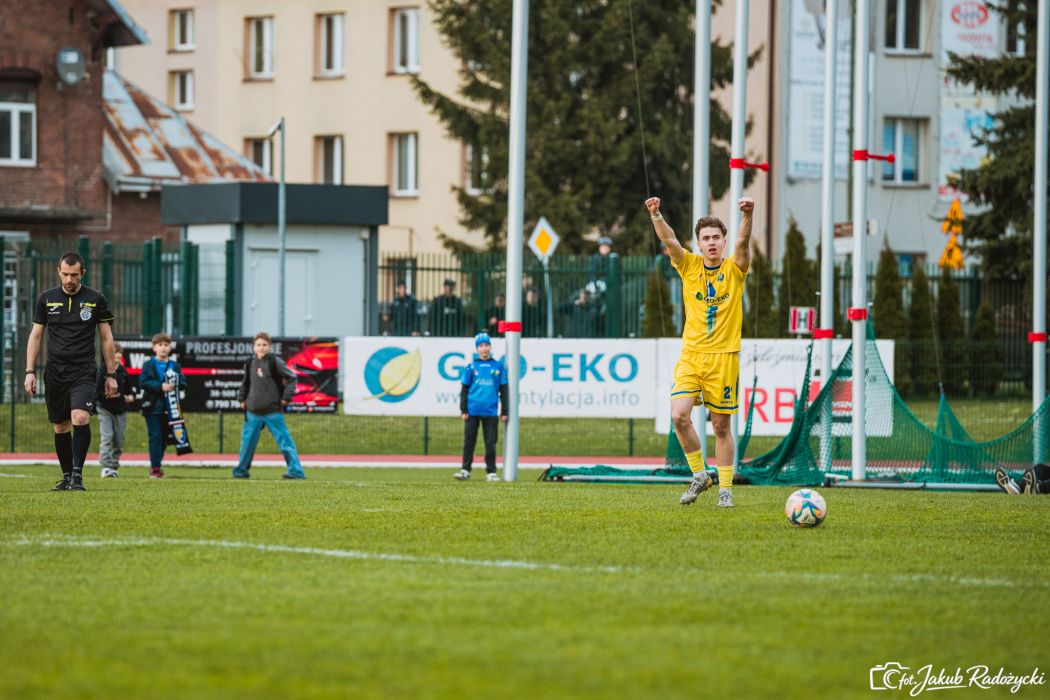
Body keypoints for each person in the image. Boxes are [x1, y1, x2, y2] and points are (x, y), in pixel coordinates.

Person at [646, 195, 754, 508]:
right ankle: (700, 475)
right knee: (679, 416)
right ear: (699, 243)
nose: (711, 243)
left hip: (724, 357)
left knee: (720, 426)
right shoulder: (688, 265)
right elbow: (669, 239)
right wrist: (655, 214)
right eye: (705, 238)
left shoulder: (735, 269)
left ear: (723, 241)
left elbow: (744, 242)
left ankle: (725, 489)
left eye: (716, 238)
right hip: (692, 356)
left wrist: (748, 214)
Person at [25, 252, 118, 491]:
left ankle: (77, 475)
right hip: (55, 372)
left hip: (83, 370)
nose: (69, 279)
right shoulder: (46, 299)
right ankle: (66, 476)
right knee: (61, 426)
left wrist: (111, 374)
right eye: (65, 274)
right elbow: (36, 336)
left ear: (82, 273)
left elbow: (106, 338)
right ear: (58, 271)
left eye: (74, 275)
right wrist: (29, 371)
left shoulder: (95, 299)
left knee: (80, 417)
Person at [232, 332, 306, 480]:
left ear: (270, 346)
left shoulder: (275, 362)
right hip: (253, 412)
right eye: (258, 345)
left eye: (264, 345)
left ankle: (296, 471)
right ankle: (241, 471)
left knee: (285, 442)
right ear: (254, 347)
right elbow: (245, 382)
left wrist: (286, 398)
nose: (261, 347)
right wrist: (241, 398)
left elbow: (292, 377)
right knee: (247, 444)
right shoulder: (249, 363)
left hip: (273, 411)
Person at [454, 332, 509, 482]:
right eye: (481, 346)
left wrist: (504, 411)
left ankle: (491, 472)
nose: (484, 348)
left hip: (490, 412)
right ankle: (465, 470)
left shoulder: (498, 366)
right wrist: (463, 409)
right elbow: (464, 389)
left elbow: (503, 390)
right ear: (477, 349)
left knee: (490, 444)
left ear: (490, 347)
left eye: (486, 345)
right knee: (469, 442)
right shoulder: (471, 367)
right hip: (472, 411)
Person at [139, 333, 187, 479]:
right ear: (154, 348)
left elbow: (184, 383)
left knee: (165, 439)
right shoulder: (148, 365)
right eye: (160, 345)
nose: (163, 348)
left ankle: (156, 465)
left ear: (170, 348)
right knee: (155, 437)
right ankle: (155, 469)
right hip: (152, 408)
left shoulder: (175, 366)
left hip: (170, 409)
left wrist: (175, 383)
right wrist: (160, 386)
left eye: (166, 345)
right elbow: (143, 382)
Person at [95, 341, 135, 478]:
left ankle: (113, 465)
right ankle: (105, 466)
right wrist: (106, 395)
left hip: (121, 410)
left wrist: (130, 396)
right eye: (114, 352)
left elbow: (129, 389)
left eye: (119, 352)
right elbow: (97, 390)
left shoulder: (123, 371)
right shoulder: (102, 369)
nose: (118, 355)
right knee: (107, 437)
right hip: (105, 409)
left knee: (119, 439)